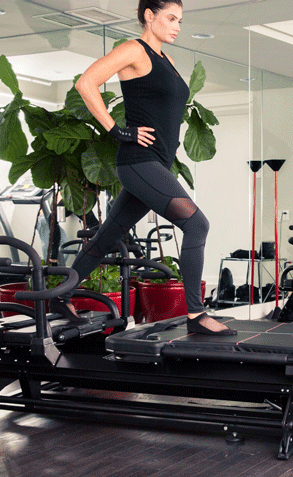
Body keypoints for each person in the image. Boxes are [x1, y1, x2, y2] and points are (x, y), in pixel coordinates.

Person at [49, 0, 236, 335]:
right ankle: (196, 315)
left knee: (107, 236)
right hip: (138, 161)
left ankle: (60, 297)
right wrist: (117, 130)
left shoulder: (167, 59)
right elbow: (86, 83)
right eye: (171, 18)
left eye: (180, 20)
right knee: (197, 224)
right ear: (149, 16)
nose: (177, 26)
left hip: (156, 163)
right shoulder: (133, 50)